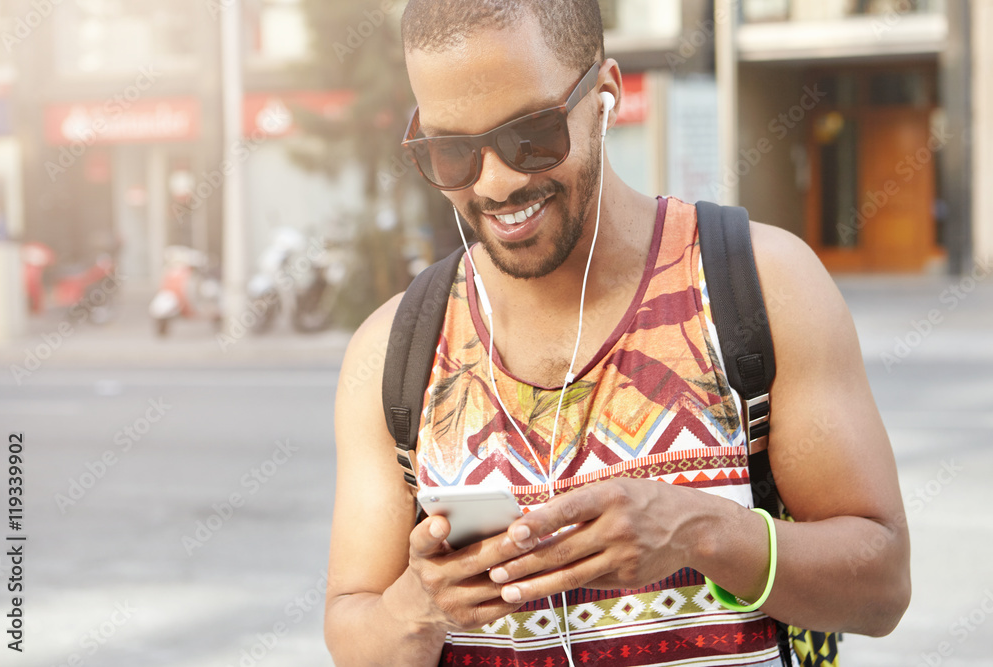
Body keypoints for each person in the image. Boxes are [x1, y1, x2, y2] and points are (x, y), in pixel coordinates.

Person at [324, 1, 911, 665]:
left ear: (605, 94)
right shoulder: (391, 351)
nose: (494, 182)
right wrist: (422, 603)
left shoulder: (762, 284)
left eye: (531, 137)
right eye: (452, 151)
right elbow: (355, 633)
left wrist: (702, 532)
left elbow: (882, 585)